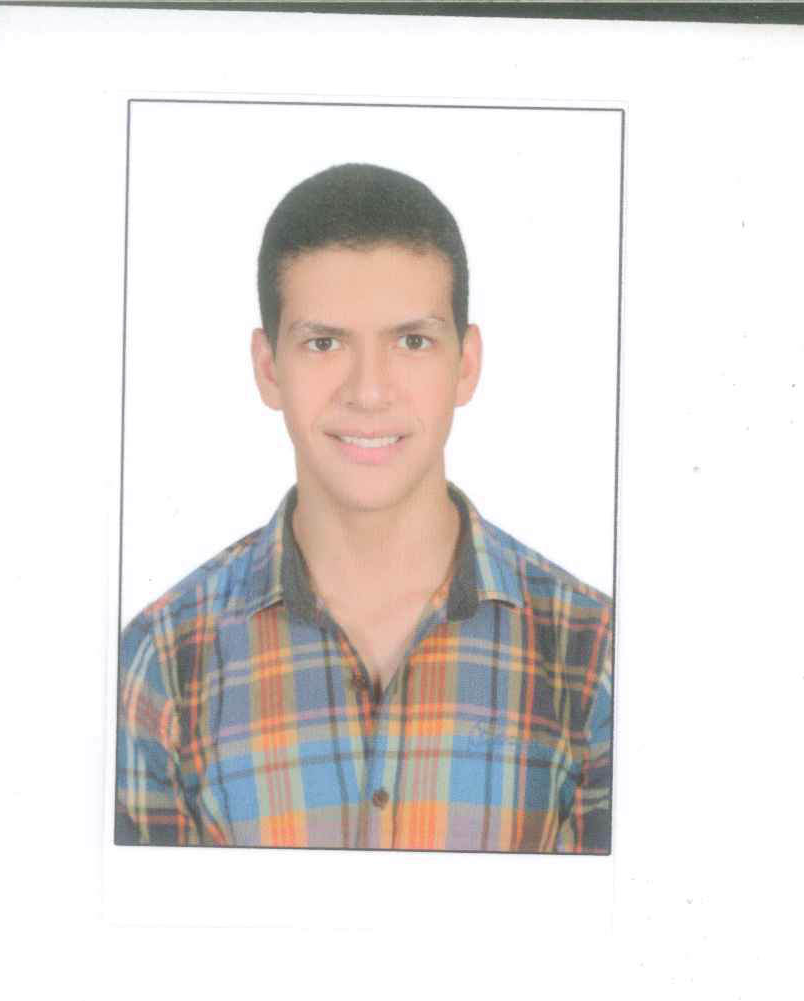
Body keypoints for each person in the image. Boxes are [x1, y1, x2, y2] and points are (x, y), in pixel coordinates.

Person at [116, 163, 613, 853]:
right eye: (324, 343)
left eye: (412, 341)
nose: (370, 391)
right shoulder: (163, 662)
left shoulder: (594, 655)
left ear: (466, 364)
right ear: (268, 367)